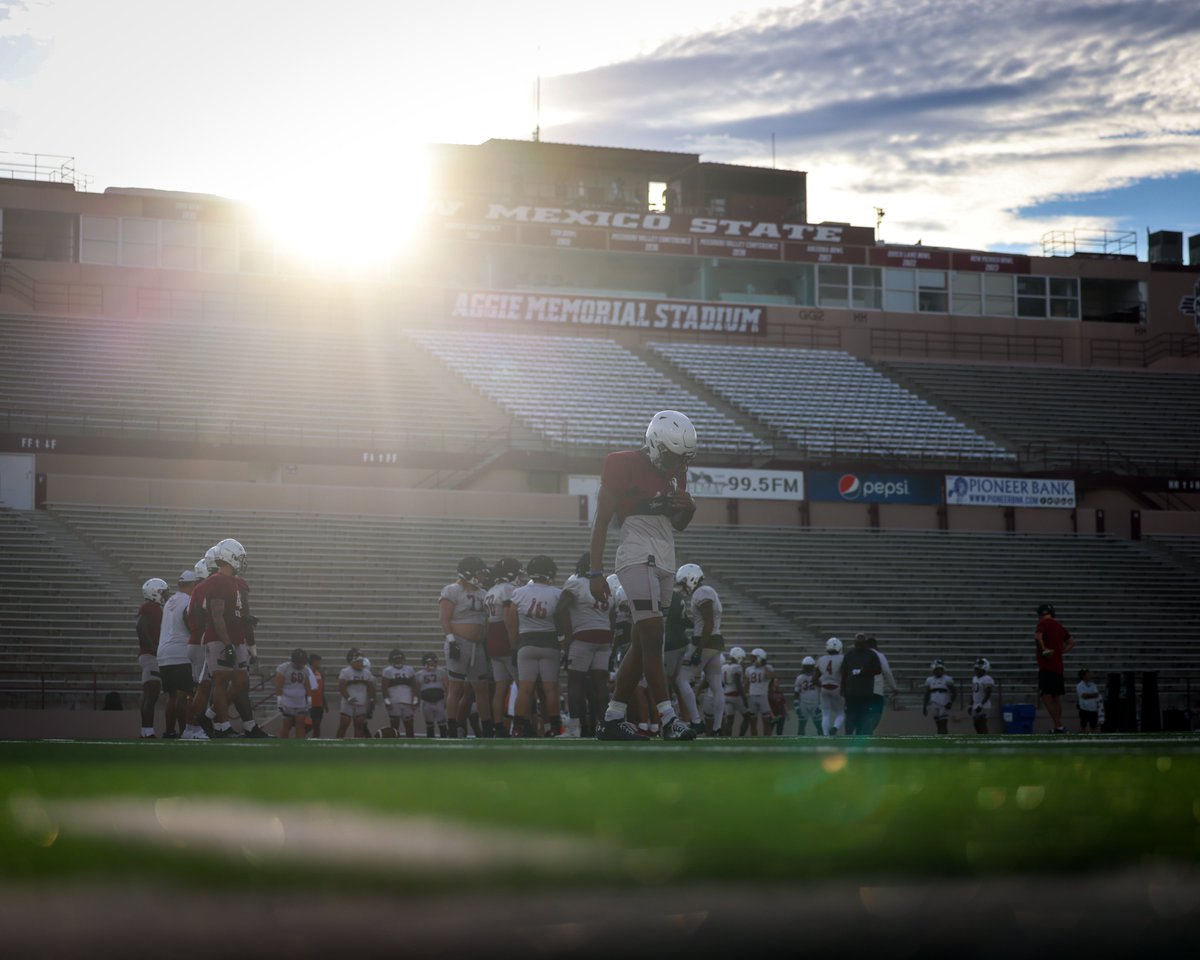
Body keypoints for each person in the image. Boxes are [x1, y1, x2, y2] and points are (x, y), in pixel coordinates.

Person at [587, 410, 699, 741]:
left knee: (641, 642)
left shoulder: (678, 467)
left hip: (666, 554)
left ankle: (612, 718)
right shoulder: (621, 462)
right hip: (636, 552)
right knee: (653, 636)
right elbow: (602, 519)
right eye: (670, 453)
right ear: (653, 442)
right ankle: (668, 718)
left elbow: (677, 524)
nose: (674, 461)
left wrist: (688, 509)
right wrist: (595, 571)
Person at [557, 552, 613, 738]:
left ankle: (575, 729)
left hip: (583, 637)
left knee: (575, 683)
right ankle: (604, 726)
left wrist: (564, 635)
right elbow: (611, 615)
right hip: (604, 637)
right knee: (600, 685)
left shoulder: (576, 583)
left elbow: (560, 607)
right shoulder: (606, 586)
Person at [507, 555, 563, 737]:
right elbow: (563, 621)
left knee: (525, 689)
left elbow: (511, 621)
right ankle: (555, 727)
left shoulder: (518, 593)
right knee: (550, 688)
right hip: (549, 643)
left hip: (526, 642)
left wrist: (514, 644)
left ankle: (518, 727)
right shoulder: (557, 593)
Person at [439, 556, 492, 738]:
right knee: (456, 687)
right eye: (479, 572)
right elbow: (444, 618)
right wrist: (451, 640)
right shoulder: (452, 590)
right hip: (459, 643)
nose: (483, 575)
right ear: (469, 572)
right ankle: (451, 728)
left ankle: (487, 729)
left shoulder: (483, 592)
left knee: (482, 689)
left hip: (478, 645)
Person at [673, 563, 724, 736]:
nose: (683, 587)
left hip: (704, 642)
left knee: (682, 680)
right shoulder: (709, 591)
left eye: (684, 582)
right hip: (715, 642)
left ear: (692, 578)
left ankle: (696, 721)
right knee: (716, 686)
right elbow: (704, 621)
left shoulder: (702, 593)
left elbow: (708, 623)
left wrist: (698, 650)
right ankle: (717, 728)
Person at [156, 570, 199, 739]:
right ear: (192, 585)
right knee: (184, 695)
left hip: (164, 653)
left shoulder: (170, 601)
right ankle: (185, 732)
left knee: (172, 696)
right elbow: (190, 625)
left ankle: (169, 731)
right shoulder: (189, 600)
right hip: (181, 651)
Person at [484, 557, 523, 737]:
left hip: (492, 638)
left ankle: (498, 726)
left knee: (500, 688)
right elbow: (509, 619)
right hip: (505, 638)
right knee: (523, 686)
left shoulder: (491, 590)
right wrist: (514, 645)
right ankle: (522, 724)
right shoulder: (508, 589)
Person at [1035, 602, 1075, 734]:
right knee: (1056, 698)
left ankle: (1058, 725)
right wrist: (1060, 651)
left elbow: (1038, 636)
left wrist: (1044, 648)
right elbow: (1071, 642)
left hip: (1047, 666)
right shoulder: (1059, 626)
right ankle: (1058, 726)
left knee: (1046, 696)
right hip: (1058, 667)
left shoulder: (1043, 624)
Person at [136, 577, 168, 739]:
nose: (164, 595)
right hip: (150, 655)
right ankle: (147, 730)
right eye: (162, 592)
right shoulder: (150, 608)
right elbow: (140, 627)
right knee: (151, 692)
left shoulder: (153, 608)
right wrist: (153, 648)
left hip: (150, 654)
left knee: (151, 693)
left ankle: (146, 730)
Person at [840, 634, 882, 736]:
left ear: (865, 644)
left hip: (865, 692)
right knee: (851, 716)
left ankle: (862, 736)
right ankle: (849, 736)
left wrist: (865, 672)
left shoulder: (871, 655)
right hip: (852, 691)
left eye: (861, 644)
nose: (859, 646)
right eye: (857, 643)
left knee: (864, 715)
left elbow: (878, 670)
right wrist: (843, 690)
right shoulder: (849, 655)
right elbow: (844, 673)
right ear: (854, 643)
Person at [275, 648, 314, 740]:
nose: (301, 664)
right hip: (287, 701)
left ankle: (299, 748)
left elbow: (307, 686)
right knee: (286, 726)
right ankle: (283, 747)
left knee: (300, 725)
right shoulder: (284, 667)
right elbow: (279, 684)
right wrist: (279, 700)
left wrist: (309, 700)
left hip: (300, 701)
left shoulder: (305, 670)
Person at [336, 648, 375, 738]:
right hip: (348, 702)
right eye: (359, 661)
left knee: (359, 726)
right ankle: (337, 744)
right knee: (344, 724)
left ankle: (357, 746)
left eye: (362, 661)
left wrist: (371, 699)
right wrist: (348, 698)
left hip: (361, 702)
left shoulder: (367, 673)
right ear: (352, 661)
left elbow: (370, 687)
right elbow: (342, 687)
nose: (361, 663)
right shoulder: (346, 671)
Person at [381, 648, 419, 738]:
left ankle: (411, 745)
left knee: (409, 726)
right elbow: (384, 687)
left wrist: (415, 699)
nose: (398, 660)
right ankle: (394, 744)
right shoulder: (388, 671)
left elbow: (414, 685)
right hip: (394, 701)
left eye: (400, 658)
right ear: (391, 660)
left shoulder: (409, 670)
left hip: (407, 701)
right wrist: (387, 700)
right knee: (394, 726)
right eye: (396, 659)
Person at [864, 635, 898, 735]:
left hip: (861, 690)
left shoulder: (861, 655)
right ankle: (868, 731)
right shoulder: (879, 655)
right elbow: (887, 672)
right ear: (875, 645)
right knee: (876, 713)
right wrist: (894, 687)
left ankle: (864, 731)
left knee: (863, 713)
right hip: (876, 690)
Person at [816, 637, 845, 736]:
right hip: (837, 687)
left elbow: (814, 678)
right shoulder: (842, 658)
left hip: (824, 687)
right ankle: (835, 727)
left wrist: (822, 685)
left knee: (825, 714)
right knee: (841, 712)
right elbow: (845, 674)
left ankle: (825, 735)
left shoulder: (821, 659)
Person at [742, 648, 774, 737]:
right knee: (753, 722)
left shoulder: (768, 668)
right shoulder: (749, 669)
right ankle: (754, 740)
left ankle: (767, 740)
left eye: (754, 657)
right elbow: (746, 683)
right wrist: (744, 695)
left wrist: (763, 665)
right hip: (752, 696)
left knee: (766, 721)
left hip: (763, 696)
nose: (752, 659)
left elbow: (770, 676)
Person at [417, 653, 450, 738]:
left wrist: (447, 699)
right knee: (429, 724)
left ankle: (444, 740)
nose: (432, 664)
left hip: (439, 700)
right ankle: (430, 742)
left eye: (434, 662)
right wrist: (417, 702)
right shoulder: (419, 674)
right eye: (430, 662)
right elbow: (417, 689)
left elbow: (447, 686)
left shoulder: (441, 671)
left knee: (442, 723)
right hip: (426, 701)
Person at [922, 659, 955, 734]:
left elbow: (954, 692)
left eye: (940, 669)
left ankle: (945, 740)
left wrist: (950, 702)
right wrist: (924, 706)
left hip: (944, 703)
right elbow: (927, 694)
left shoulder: (947, 679)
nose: (938, 671)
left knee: (943, 724)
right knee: (938, 724)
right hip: (934, 703)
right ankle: (940, 739)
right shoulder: (930, 680)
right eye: (936, 669)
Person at [722, 646, 748, 736]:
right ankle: (741, 737)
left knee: (729, 720)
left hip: (726, 695)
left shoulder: (724, 667)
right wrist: (744, 698)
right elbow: (738, 683)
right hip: (735, 695)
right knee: (747, 716)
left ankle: (727, 739)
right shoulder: (737, 667)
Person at [793, 656, 822, 735]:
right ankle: (800, 744)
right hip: (806, 703)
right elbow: (796, 693)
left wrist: (796, 706)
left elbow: (822, 691)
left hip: (811, 703)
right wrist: (797, 706)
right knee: (802, 726)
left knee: (819, 726)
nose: (808, 669)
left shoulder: (800, 678)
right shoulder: (800, 678)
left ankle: (822, 743)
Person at [969, 657, 995, 734]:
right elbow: (973, 692)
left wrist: (981, 704)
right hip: (976, 704)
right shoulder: (974, 678)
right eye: (976, 669)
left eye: (978, 669)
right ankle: (981, 740)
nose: (976, 670)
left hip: (984, 705)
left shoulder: (987, 679)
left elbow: (988, 693)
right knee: (976, 724)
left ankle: (986, 740)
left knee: (982, 723)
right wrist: (970, 704)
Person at [307, 653, 326, 738]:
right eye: (318, 661)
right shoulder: (306, 672)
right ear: (313, 661)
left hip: (318, 704)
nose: (319, 663)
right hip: (309, 704)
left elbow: (322, 689)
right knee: (306, 725)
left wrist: (324, 703)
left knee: (317, 725)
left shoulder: (319, 673)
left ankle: (315, 741)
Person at [1076, 668, 1101, 733]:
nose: (1090, 675)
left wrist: (1088, 695)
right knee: (1083, 726)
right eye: (1088, 674)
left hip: (1093, 709)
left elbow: (1097, 694)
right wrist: (1092, 695)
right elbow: (1084, 696)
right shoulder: (1079, 685)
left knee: (1093, 727)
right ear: (1083, 676)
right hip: (1084, 709)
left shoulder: (1093, 685)